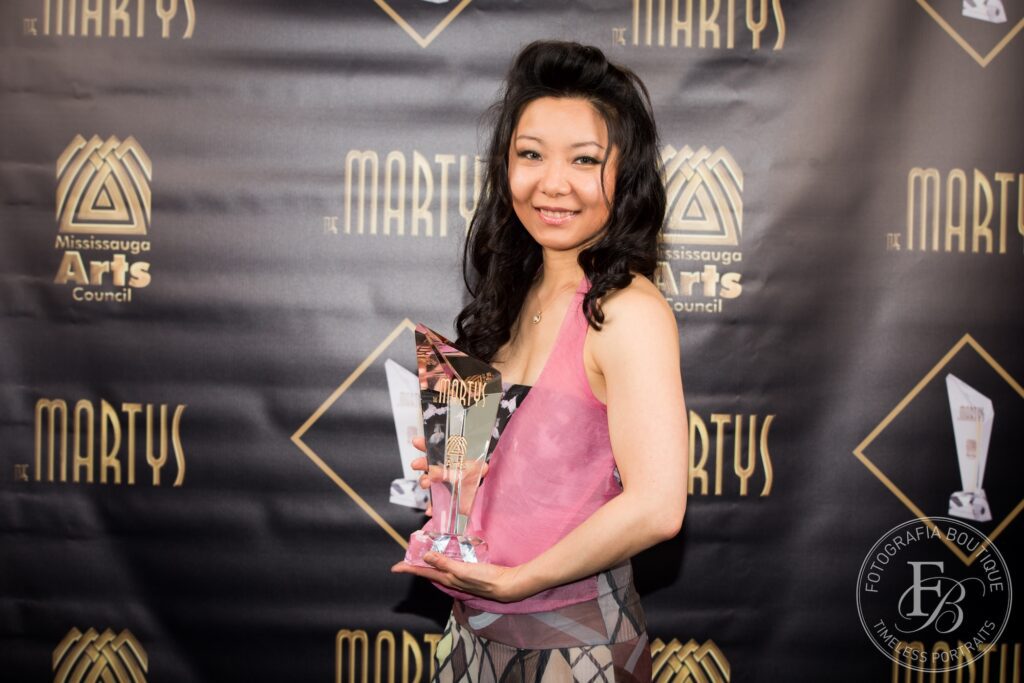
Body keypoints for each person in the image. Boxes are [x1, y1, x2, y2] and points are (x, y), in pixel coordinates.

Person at [392, 40, 688, 682]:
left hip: (574, 645)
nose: (552, 184)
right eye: (530, 155)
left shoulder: (627, 311)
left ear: (624, 176)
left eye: (584, 160)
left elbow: (659, 506)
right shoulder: (512, 291)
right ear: (504, 166)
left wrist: (520, 581)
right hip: (473, 635)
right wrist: (458, 472)